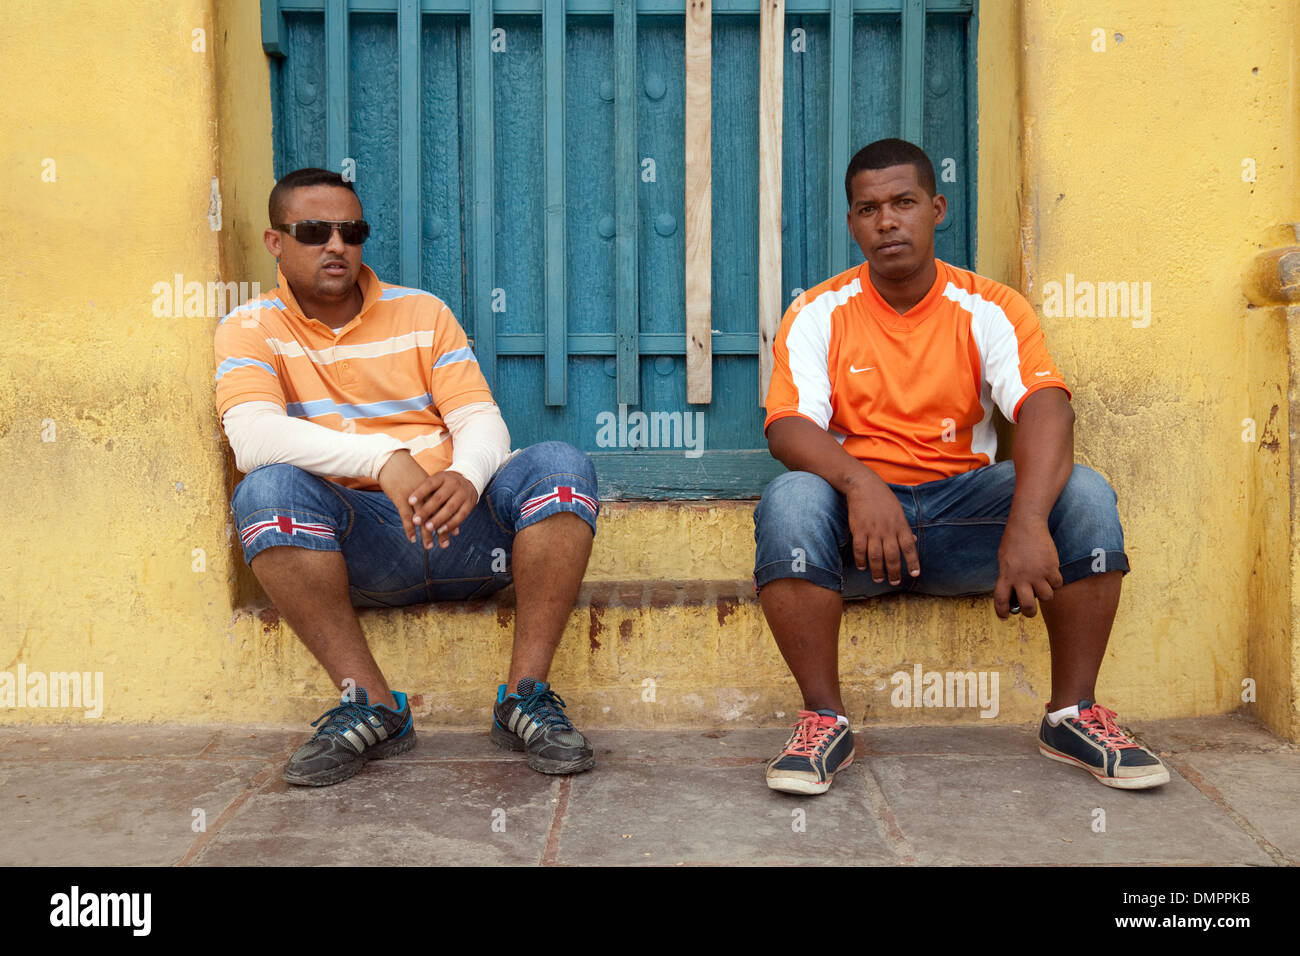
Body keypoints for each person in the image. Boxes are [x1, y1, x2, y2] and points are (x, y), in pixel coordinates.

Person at [756, 139, 1168, 795]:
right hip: (857, 539)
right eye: (868, 209)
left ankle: (1071, 713)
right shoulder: (819, 313)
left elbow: (1047, 409)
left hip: (963, 524)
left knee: (1084, 493)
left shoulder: (989, 307)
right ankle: (823, 721)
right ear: (852, 223)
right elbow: (788, 425)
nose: (887, 221)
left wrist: (1029, 522)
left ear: (937, 208)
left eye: (903, 202)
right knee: (791, 501)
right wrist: (862, 484)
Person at [213, 168, 599, 786]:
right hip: (360, 547)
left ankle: (524, 698)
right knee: (265, 492)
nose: (336, 245)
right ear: (275, 242)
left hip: (464, 534)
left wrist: (470, 476)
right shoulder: (249, 327)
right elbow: (253, 437)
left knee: (561, 465)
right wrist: (380, 459)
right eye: (314, 231)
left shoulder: (422, 312)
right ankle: (370, 704)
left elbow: (481, 420)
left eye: (351, 231)